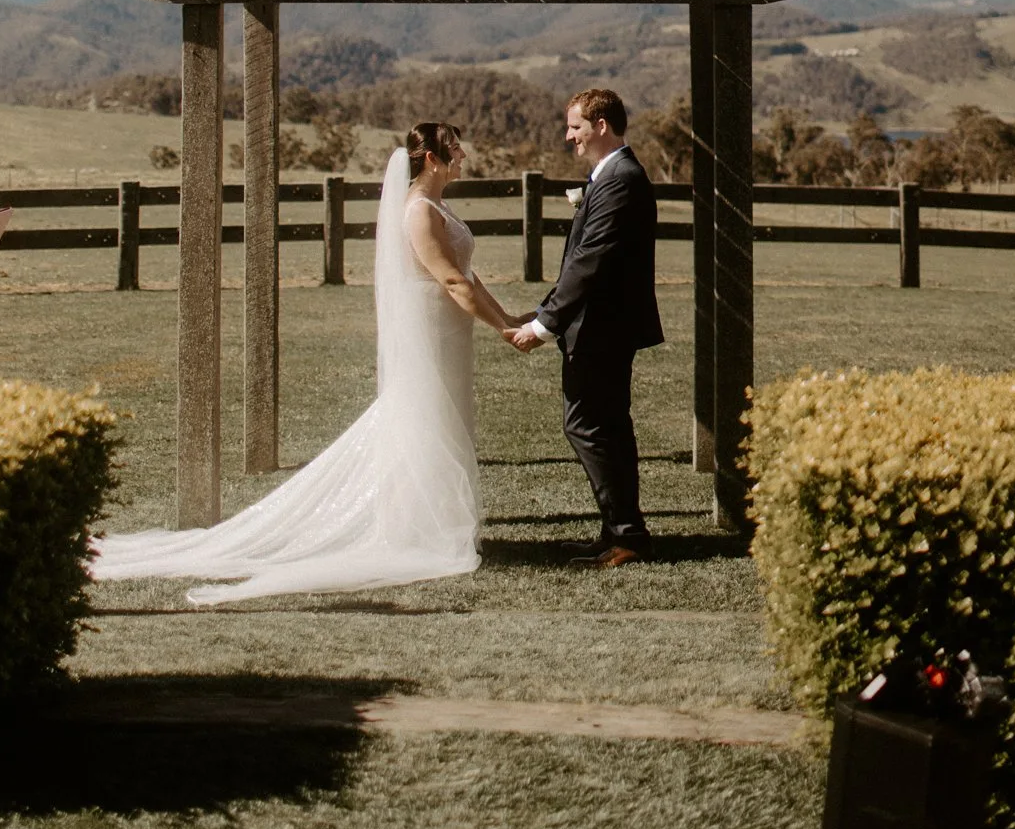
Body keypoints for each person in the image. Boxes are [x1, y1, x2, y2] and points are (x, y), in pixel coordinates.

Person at [92, 122, 525, 603]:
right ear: (432, 159)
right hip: (430, 329)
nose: (464, 154)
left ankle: (432, 521)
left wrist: (506, 316)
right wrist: (504, 330)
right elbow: (450, 281)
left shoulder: (441, 205)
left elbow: (468, 274)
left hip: (450, 332)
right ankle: (414, 528)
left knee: (443, 418)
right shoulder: (420, 211)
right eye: (456, 148)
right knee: (420, 418)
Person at [510, 88, 663, 568]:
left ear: (601, 126)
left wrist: (543, 326)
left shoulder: (619, 178)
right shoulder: (612, 175)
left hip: (603, 328)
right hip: (603, 327)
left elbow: (589, 262)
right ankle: (617, 532)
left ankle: (626, 534)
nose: (568, 135)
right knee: (607, 427)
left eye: (575, 126)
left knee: (588, 426)